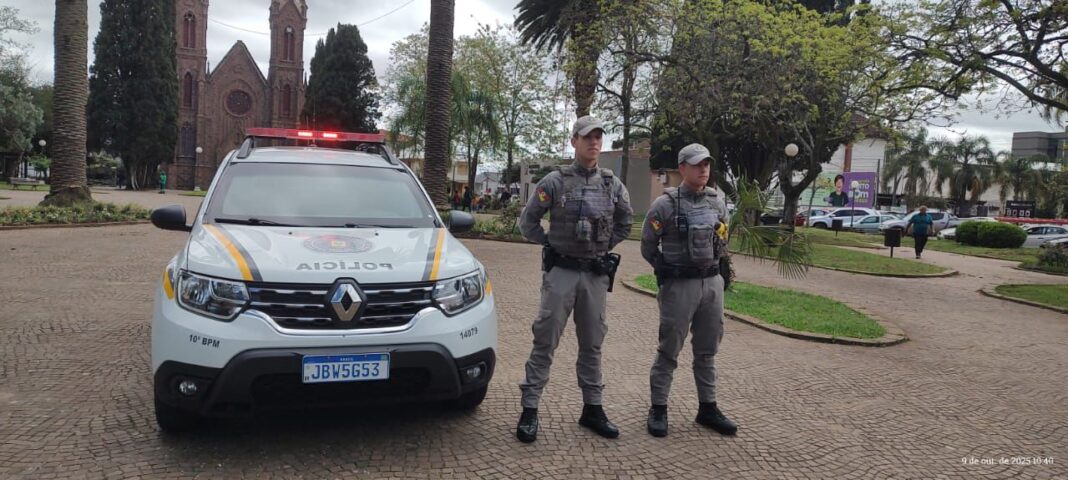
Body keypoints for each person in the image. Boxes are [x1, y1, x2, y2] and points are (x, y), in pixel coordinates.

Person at [515, 115, 633, 443]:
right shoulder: (555, 181)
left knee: (593, 343)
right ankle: (530, 408)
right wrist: (552, 244)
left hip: (594, 275)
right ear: (574, 142)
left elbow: (626, 221)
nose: (594, 142)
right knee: (545, 338)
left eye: (598, 137)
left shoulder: (612, 183)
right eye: (587, 137)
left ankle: (592, 408)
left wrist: (604, 246)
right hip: (562, 274)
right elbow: (528, 223)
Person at [640, 143, 737, 438]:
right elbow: (647, 244)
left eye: (706, 164)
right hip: (679, 285)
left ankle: (707, 407)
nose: (703, 169)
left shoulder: (716, 202)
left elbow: (723, 238)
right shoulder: (665, 205)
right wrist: (666, 270)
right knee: (669, 349)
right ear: (682, 168)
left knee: (707, 351)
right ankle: (658, 408)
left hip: (711, 284)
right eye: (697, 164)